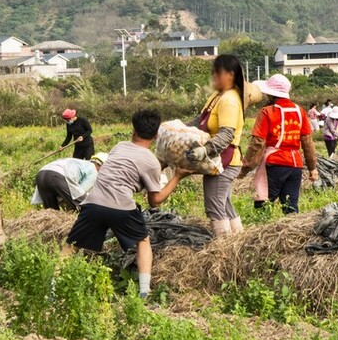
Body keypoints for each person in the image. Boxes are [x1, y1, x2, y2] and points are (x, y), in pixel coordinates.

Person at [66, 110, 190, 298]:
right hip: (121, 207)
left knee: (71, 245)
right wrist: (178, 177)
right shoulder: (151, 162)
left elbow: (128, 167)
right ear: (156, 135)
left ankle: (52, 285)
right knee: (143, 241)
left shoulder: (119, 146)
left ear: (133, 130)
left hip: (93, 202)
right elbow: (154, 201)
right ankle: (144, 291)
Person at [241, 74, 319, 214]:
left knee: (263, 204)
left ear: (271, 95)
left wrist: (245, 167)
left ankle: (262, 233)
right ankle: (293, 235)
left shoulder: (268, 112)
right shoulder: (299, 111)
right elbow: (307, 142)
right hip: (295, 164)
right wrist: (313, 168)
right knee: (290, 207)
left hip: (275, 163)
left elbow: (258, 143)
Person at [186, 54, 246, 237]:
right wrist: (177, 129)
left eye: (217, 74)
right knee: (224, 203)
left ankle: (223, 247)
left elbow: (227, 134)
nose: (214, 78)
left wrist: (205, 150)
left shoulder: (229, 100)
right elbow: (200, 121)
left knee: (214, 205)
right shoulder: (217, 96)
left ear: (230, 75)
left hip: (224, 161)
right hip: (219, 160)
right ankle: (238, 240)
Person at [32, 153, 105, 210]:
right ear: (100, 165)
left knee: (51, 211)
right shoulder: (93, 170)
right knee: (85, 205)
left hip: (41, 174)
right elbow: (79, 193)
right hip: (57, 175)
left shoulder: (80, 162)